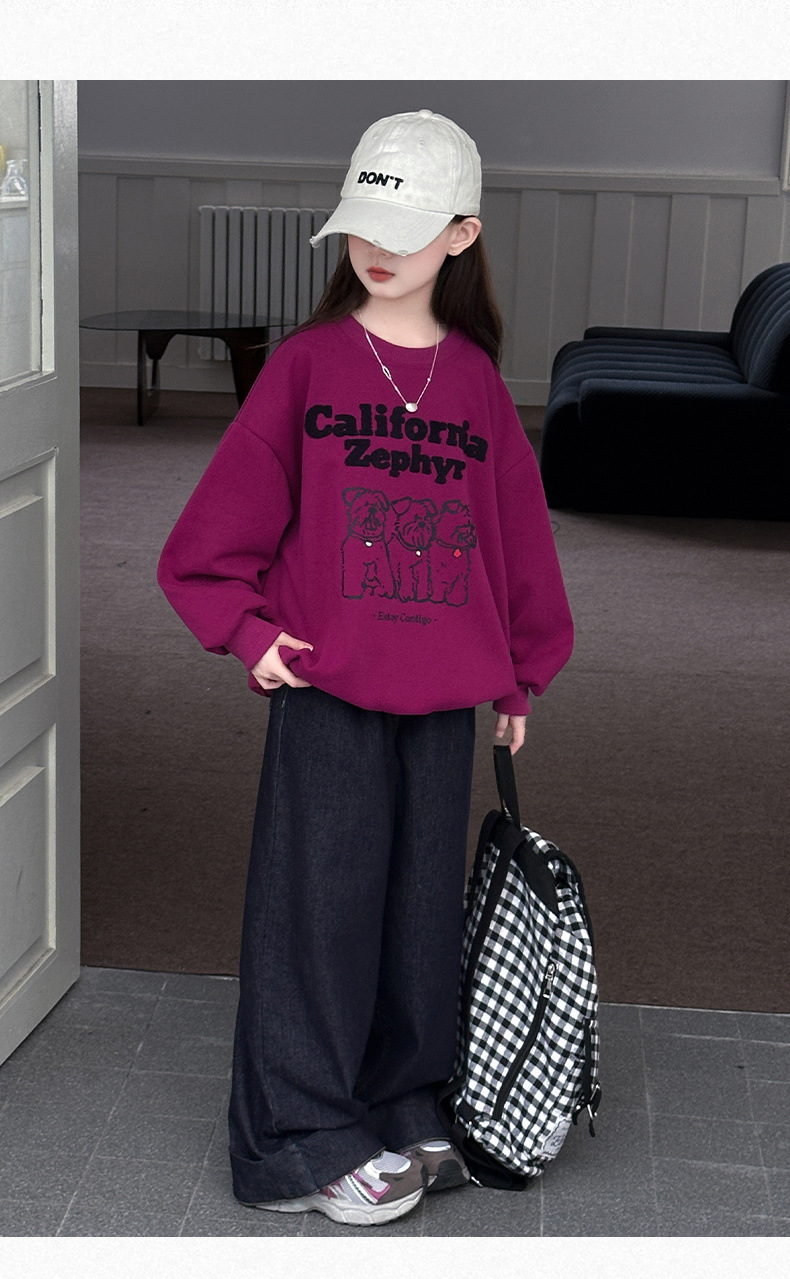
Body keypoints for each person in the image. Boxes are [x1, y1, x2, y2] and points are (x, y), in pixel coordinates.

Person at [157, 109, 573, 1227]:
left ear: (462, 235)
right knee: (319, 911)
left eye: (406, 228)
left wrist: (521, 672)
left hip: (442, 699)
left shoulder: (476, 383)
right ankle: (299, 1137)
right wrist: (248, 632)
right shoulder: (307, 366)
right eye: (361, 227)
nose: (377, 250)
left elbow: (515, 541)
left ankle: (399, 1099)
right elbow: (210, 537)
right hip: (329, 690)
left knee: (420, 912)